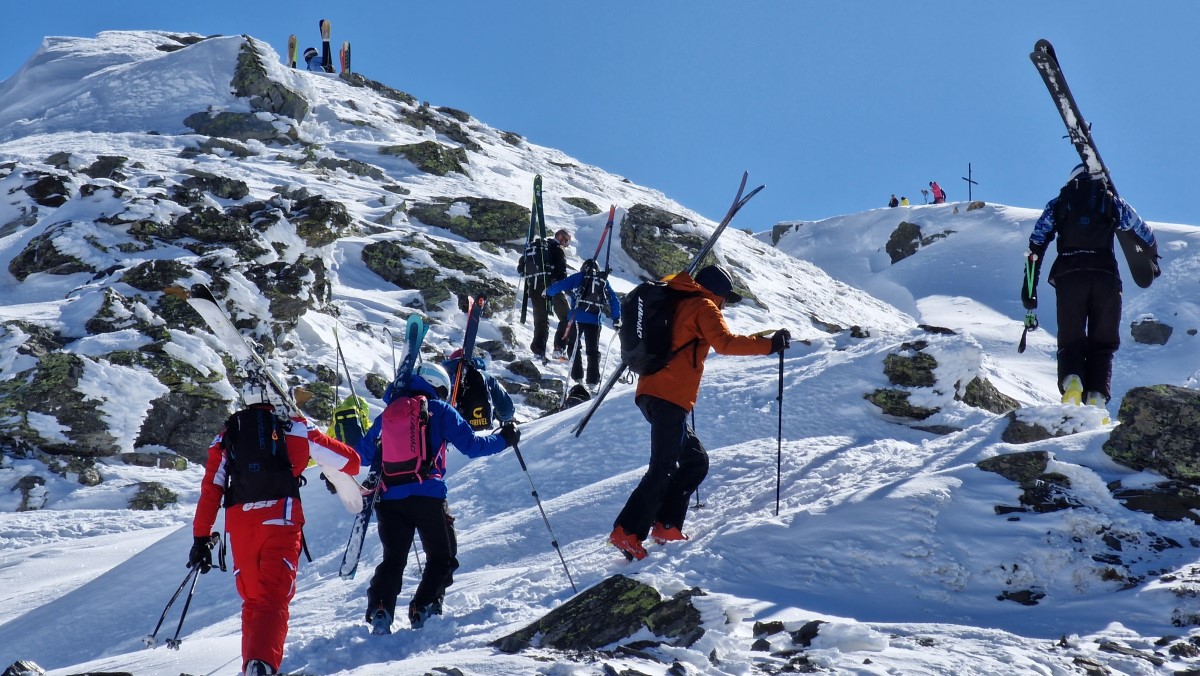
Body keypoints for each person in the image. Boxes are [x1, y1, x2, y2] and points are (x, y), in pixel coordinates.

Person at [608, 265, 791, 561]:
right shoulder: (703, 305)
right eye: (726, 298)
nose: (725, 304)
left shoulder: (679, 300)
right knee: (663, 467)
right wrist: (770, 345)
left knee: (694, 461)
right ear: (717, 292)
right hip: (669, 396)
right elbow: (726, 343)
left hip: (654, 393)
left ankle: (667, 525)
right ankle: (627, 531)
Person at [189, 376, 361, 676]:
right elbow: (351, 463)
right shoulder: (295, 427)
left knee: (254, 600)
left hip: (241, 526)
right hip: (279, 519)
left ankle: (252, 667)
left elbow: (211, 488)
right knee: (274, 598)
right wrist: (307, 429)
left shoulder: (227, 434)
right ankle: (263, 667)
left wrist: (200, 537)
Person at [356, 363, 519, 633]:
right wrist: (505, 439)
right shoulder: (440, 410)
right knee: (442, 557)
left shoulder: (388, 415)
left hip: (389, 500)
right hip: (428, 497)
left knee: (393, 560)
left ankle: (380, 610)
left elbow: (361, 454)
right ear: (438, 387)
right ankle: (424, 607)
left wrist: (334, 472)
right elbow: (472, 446)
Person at [1022, 163, 1156, 408]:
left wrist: (1029, 290)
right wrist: (1151, 257)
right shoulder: (1113, 202)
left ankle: (1072, 383)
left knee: (1071, 340)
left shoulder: (1059, 203)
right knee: (1103, 344)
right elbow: (1145, 234)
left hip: (1070, 276)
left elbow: (1036, 245)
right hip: (1106, 278)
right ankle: (1097, 397)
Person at [546, 258, 622, 386]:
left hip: (577, 318)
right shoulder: (602, 280)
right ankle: (592, 381)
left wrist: (548, 291)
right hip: (595, 321)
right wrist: (616, 318)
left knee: (573, 347)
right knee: (593, 350)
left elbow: (561, 284)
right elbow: (614, 299)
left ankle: (577, 378)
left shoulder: (580, 277)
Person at [518, 228, 572, 360]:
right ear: (559, 236)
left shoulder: (535, 248)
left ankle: (538, 349)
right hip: (551, 286)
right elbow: (561, 273)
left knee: (541, 320)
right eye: (566, 240)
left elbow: (521, 267)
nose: (565, 244)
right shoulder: (556, 249)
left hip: (534, 287)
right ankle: (559, 347)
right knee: (567, 317)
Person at [441, 348, 516, 429]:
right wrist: (494, 415)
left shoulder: (443, 377)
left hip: (450, 432)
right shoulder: (485, 377)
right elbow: (507, 410)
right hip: (482, 433)